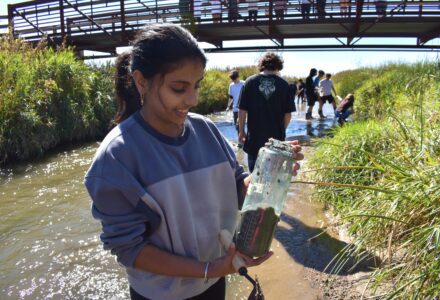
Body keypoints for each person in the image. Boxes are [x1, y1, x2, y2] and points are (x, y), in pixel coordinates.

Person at [85, 24, 303, 300]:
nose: (193, 99)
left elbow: (237, 186)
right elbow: (131, 249)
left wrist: (269, 176)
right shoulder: (116, 157)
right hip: (161, 294)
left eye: (197, 85)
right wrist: (208, 268)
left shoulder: (206, 130)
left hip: (214, 280)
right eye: (179, 88)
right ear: (142, 81)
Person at [238, 52, 296, 172]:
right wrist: (281, 130)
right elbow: (288, 115)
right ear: (278, 66)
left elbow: (242, 110)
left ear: (262, 65)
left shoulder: (249, 82)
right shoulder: (284, 85)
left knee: (253, 177)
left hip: (254, 139)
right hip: (275, 141)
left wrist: (241, 131)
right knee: (272, 178)